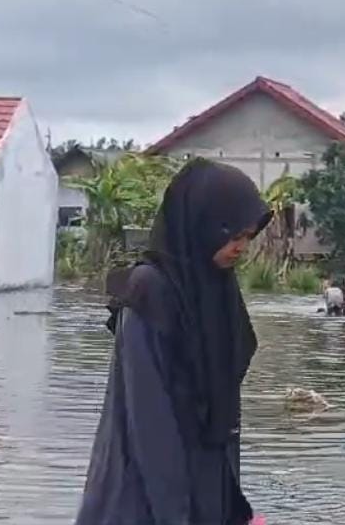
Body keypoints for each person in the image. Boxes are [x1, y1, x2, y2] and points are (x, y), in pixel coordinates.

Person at [76, 159, 272, 525]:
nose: (241, 247)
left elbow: (223, 421)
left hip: (203, 492)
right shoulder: (149, 293)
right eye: (233, 234)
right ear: (203, 225)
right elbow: (150, 422)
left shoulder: (218, 291)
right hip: (140, 497)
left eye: (248, 237)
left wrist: (232, 508)